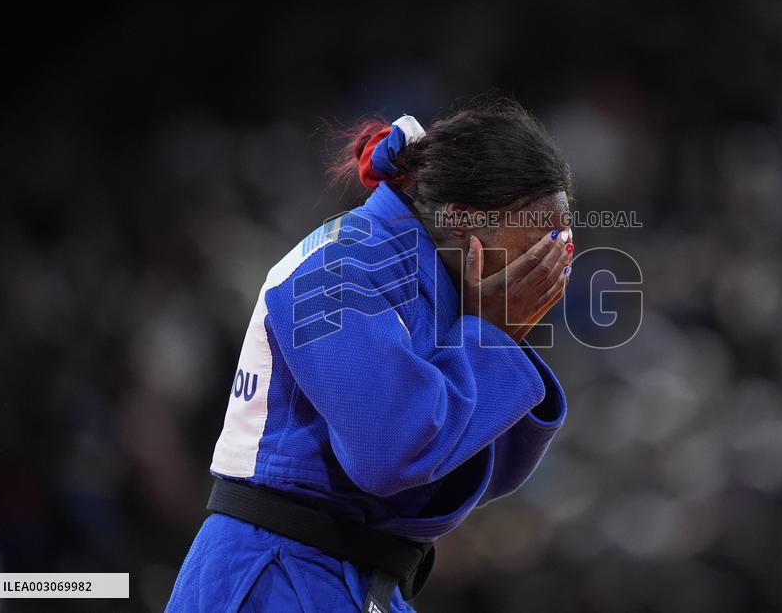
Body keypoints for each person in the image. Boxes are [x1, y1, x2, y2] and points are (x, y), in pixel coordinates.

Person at [167, 97, 575, 612]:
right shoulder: (337, 270)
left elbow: (469, 472)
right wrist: (493, 334)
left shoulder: (444, 284)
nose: (553, 258)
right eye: (540, 237)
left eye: (561, 237)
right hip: (274, 574)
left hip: (357, 579)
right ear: (463, 220)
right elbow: (390, 454)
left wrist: (496, 332)